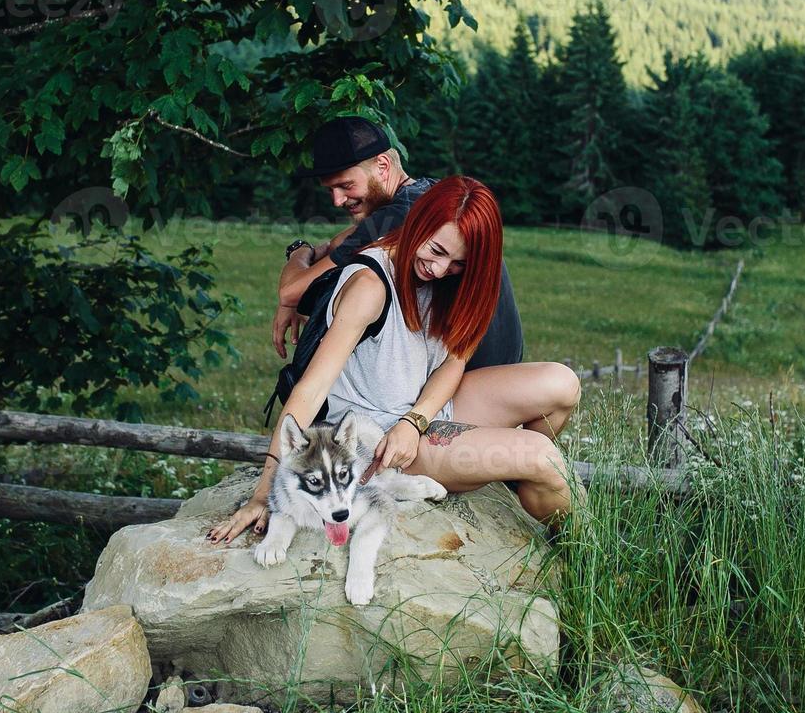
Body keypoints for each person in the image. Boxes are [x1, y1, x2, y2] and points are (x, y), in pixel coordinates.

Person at [208, 176, 580, 544]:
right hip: (380, 436)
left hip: (421, 412)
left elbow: (453, 363)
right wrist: (264, 494)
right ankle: (575, 546)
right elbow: (311, 389)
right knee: (541, 457)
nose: (439, 269)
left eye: (457, 263)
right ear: (418, 223)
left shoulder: (456, 282)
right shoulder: (370, 286)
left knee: (563, 384)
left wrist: (415, 421)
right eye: (436, 250)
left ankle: (510, 481)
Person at [272, 116, 523, 373]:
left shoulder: (395, 217)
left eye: (346, 185)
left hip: (468, 377)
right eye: (330, 190)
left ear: (382, 165)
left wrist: (299, 250)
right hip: (500, 367)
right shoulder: (429, 193)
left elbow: (291, 291)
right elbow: (338, 243)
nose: (337, 200)